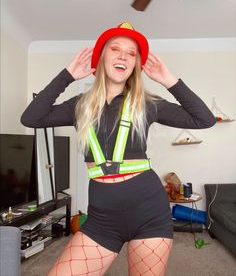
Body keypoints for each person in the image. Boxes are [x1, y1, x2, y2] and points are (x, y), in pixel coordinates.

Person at [21, 22, 216, 276]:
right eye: (115, 48)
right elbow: (31, 119)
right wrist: (67, 75)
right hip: (102, 219)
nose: (123, 55)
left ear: (135, 65)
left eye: (132, 53)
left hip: (149, 213)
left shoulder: (146, 104)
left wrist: (169, 80)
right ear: (101, 58)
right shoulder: (78, 106)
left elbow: (204, 119)